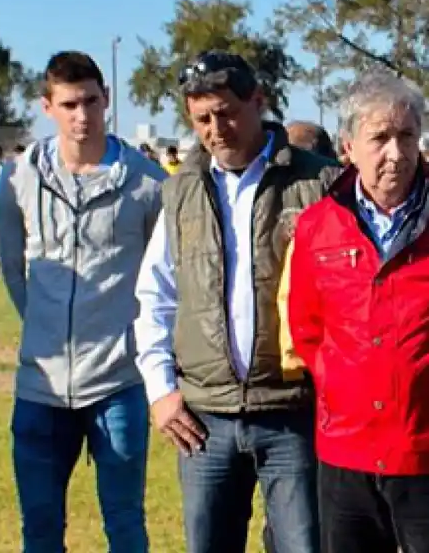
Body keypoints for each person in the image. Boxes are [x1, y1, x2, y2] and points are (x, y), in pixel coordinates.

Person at [134, 50, 340, 553]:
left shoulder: (320, 184)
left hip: (293, 414)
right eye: (202, 118)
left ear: (258, 101)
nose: (216, 128)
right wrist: (161, 391)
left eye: (226, 112)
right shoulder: (180, 190)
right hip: (204, 422)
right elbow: (155, 296)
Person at [0, 50, 166, 552]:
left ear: (106, 99)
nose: (82, 115)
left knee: (125, 523)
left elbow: (162, 279)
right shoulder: (18, 178)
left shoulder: (147, 181)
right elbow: (12, 267)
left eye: (91, 101)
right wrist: (43, 328)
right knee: (41, 528)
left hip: (118, 382)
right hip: (40, 386)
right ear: (46, 106)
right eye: (69, 104)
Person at [287, 70, 429, 553]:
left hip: (423, 452)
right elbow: (306, 330)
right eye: (380, 138)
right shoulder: (316, 227)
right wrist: (344, 386)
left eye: (407, 135)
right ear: (348, 146)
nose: (396, 152)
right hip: (347, 452)